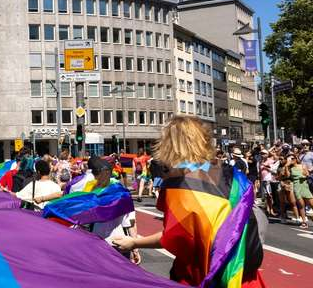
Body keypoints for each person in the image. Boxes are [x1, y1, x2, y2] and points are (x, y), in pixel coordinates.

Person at [112, 116, 265, 287]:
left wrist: (133, 242)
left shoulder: (178, 184)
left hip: (203, 276)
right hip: (242, 274)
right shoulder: (230, 172)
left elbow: (174, 238)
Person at [289, 155, 313, 229]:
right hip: (297, 187)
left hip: (304, 187)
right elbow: (288, 176)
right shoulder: (290, 168)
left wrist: (305, 175)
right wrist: (286, 166)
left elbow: (307, 174)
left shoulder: (302, 166)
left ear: (296, 159)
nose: (291, 160)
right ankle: (304, 222)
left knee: (312, 204)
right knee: (301, 206)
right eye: (289, 159)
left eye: (292, 158)